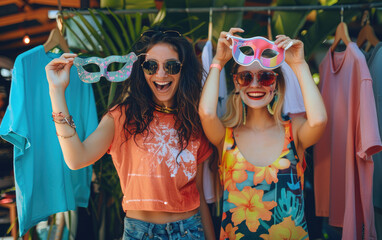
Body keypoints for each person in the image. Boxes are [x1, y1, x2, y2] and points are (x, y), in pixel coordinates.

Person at [45, 28, 215, 240]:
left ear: (183, 70)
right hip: (139, 233)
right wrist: (56, 90)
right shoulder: (121, 117)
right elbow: (76, 159)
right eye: (151, 66)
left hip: (189, 230)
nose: (161, 74)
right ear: (140, 70)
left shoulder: (193, 120)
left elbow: (197, 191)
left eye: (171, 66)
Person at [199, 28, 327, 239]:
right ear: (237, 84)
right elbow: (205, 112)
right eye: (245, 77)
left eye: (266, 77)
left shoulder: (293, 131)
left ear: (276, 85)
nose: (255, 85)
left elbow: (320, 120)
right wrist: (218, 61)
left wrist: (298, 64)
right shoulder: (226, 136)